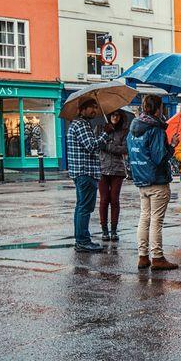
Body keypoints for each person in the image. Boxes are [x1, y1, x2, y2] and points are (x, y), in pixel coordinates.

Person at [128, 95, 179, 270]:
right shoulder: (155, 129)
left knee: (145, 218)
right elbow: (159, 158)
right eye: (161, 107)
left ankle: (143, 256)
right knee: (156, 220)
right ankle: (157, 257)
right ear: (158, 108)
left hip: (141, 179)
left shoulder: (134, 128)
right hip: (157, 180)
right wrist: (171, 145)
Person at [66, 99, 109, 252]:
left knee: (80, 207)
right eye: (92, 107)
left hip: (80, 172)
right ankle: (83, 240)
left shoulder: (76, 124)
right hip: (86, 172)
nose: (95, 111)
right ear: (83, 109)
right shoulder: (82, 124)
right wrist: (106, 134)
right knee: (85, 208)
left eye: (96, 107)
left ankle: (80, 239)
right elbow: (91, 146)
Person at [98, 110, 129, 242]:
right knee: (104, 200)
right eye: (112, 115)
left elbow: (125, 149)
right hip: (102, 168)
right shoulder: (100, 129)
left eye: (117, 115)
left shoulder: (124, 132)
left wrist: (108, 147)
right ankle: (104, 230)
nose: (115, 118)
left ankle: (114, 230)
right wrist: (106, 134)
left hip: (117, 169)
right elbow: (97, 145)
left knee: (114, 200)